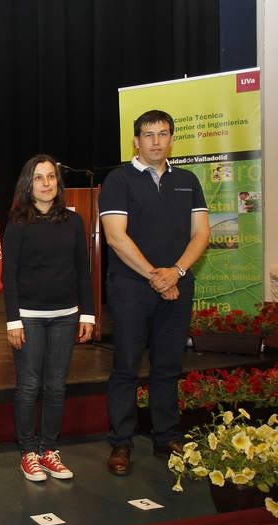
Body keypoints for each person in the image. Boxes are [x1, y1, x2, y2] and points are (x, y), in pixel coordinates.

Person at [99, 109, 209, 475]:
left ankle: (167, 437)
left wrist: (175, 273)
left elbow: (202, 234)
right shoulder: (119, 180)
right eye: (149, 135)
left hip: (177, 286)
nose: (156, 141)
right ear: (136, 140)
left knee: (167, 366)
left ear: (171, 138)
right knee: (126, 367)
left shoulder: (188, 180)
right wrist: (155, 276)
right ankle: (121, 443)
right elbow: (116, 236)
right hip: (132, 287)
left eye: (163, 134)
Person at [1, 154, 94, 483]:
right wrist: (13, 320)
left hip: (66, 317)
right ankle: (28, 452)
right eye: (39, 178)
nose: (46, 183)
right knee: (29, 387)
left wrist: (89, 313)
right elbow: (8, 276)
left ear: (58, 182)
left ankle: (49, 450)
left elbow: (83, 270)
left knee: (55, 387)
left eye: (51, 177)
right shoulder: (18, 224)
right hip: (29, 318)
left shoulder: (73, 221)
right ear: (28, 184)